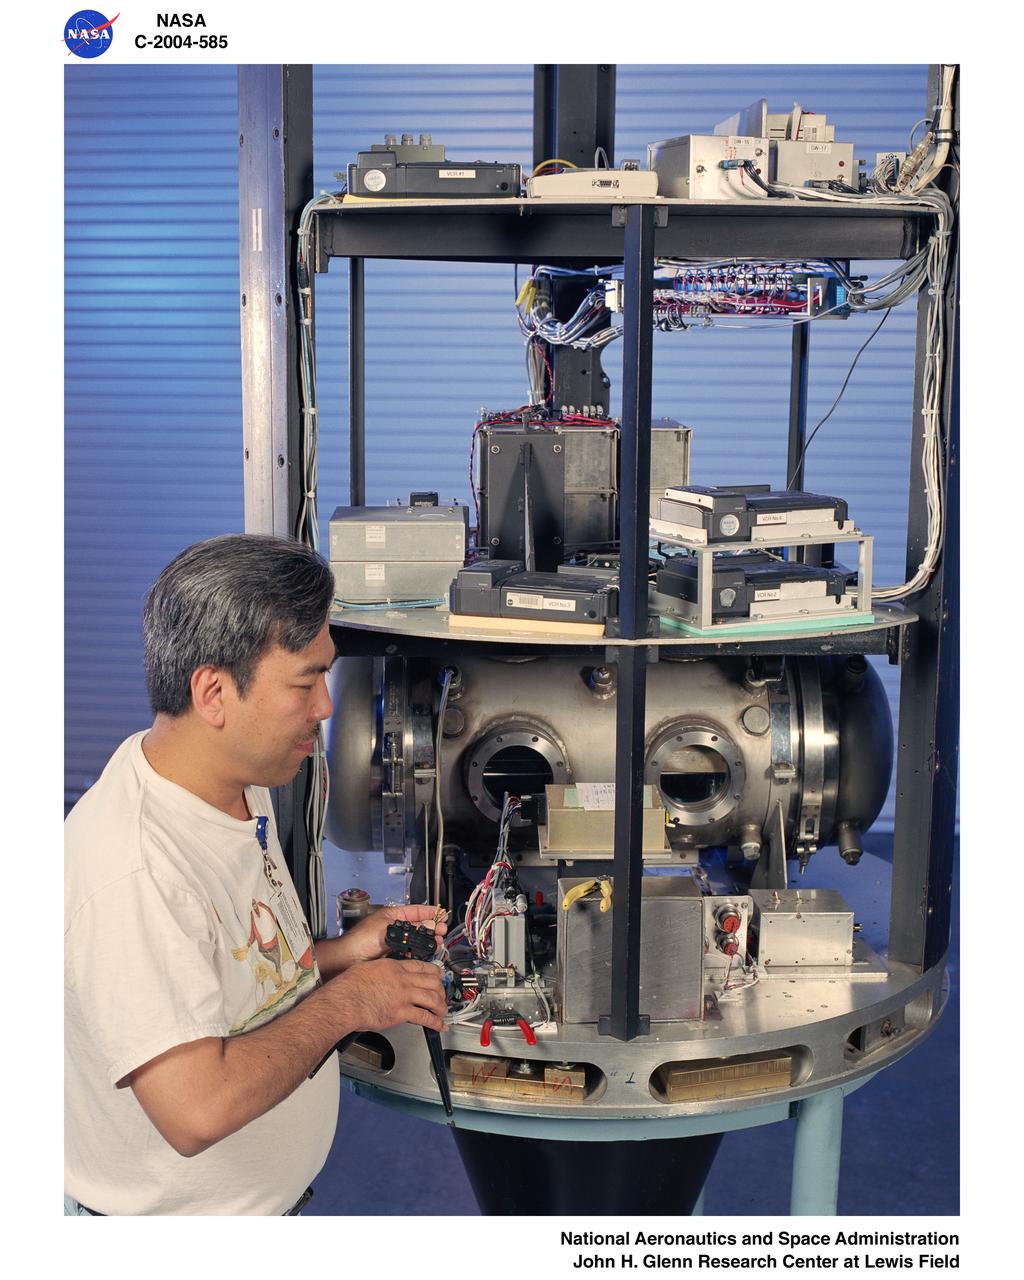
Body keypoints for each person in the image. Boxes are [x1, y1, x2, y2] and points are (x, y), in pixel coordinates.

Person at [64, 534, 448, 1216]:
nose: (326, 707)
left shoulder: (241, 777)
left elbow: (232, 978)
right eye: (306, 682)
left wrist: (339, 956)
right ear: (214, 692)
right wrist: (353, 1001)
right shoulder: (134, 869)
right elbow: (196, 1109)